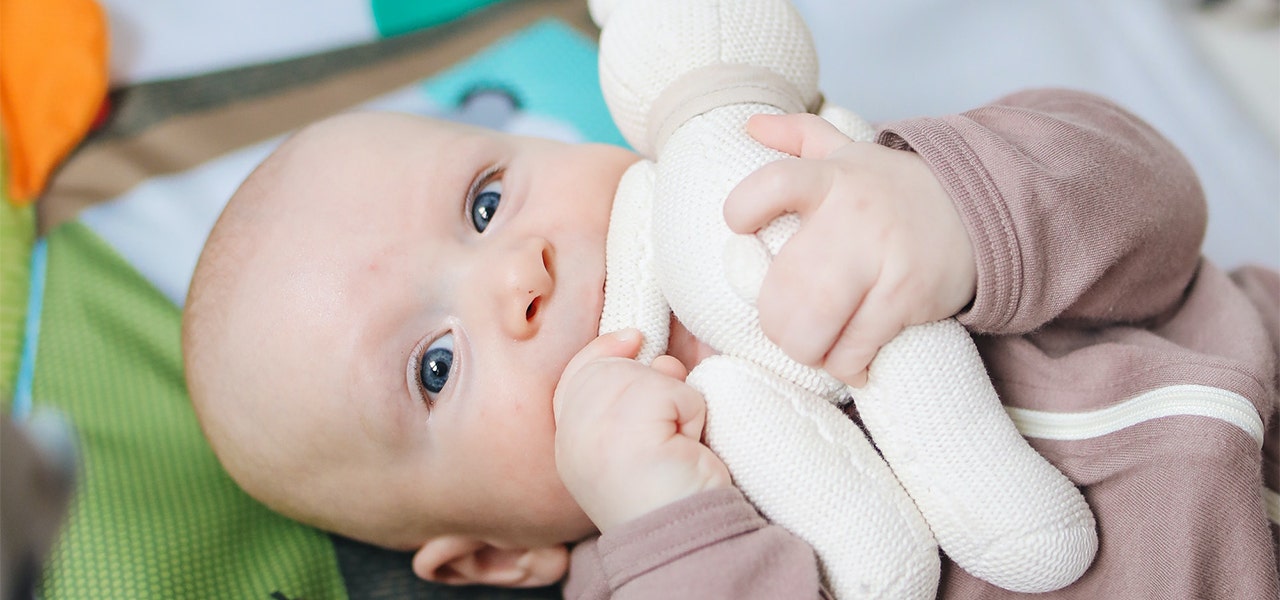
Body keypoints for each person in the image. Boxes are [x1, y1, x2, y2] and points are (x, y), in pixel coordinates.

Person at [182, 87, 1280, 598]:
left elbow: (1156, 209)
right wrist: (674, 528)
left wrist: (951, 207)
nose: (517, 277)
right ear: (492, 558)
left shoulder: (792, 184)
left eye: (482, 204)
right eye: (436, 365)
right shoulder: (657, 574)